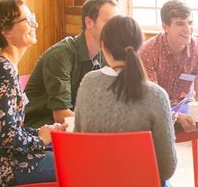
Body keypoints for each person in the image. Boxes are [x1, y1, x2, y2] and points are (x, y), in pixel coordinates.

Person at [0, 0, 66, 186]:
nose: (35, 24)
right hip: (10, 167)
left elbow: (7, 128)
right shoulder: (3, 71)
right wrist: (40, 140)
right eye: (27, 20)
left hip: (10, 161)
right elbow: (6, 136)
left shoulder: (2, 66)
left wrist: (40, 133)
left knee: (69, 151)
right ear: (6, 32)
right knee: (80, 162)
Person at [74, 16, 177, 186]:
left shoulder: (88, 83)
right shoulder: (156, 95)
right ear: (139, 47)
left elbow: (79, 144)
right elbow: (167, 168)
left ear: (104, 47)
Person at [139, 0, 198, 187]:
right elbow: (152, 101)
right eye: (180, 24)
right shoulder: (148, 51)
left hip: (186, 102)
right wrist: (177, 117)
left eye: (190, 23)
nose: (187, 29)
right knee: (147, 129)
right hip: (155, 109)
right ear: (165, 26)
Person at [24, 0, 118, 128]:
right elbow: (61, 115)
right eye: (109, 22)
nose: (116, 28)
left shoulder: (106, 54)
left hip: (73, 128)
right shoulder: (60, 55)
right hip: (41, 130)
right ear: (89, 22)